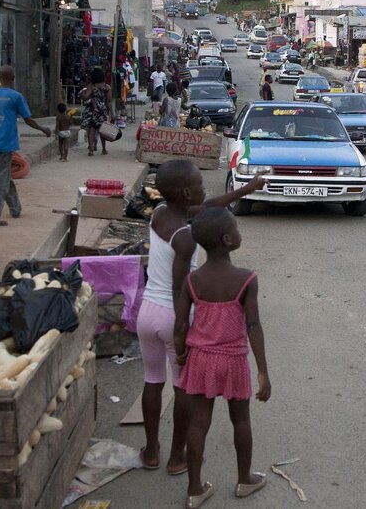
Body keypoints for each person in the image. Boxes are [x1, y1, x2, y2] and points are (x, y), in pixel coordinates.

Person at [136, 162, 264, 480]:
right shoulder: (187, 238)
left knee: (152, 380)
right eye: (200, 184)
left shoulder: (161, 212)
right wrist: (182, 338)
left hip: (146, 312)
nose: (205, 188)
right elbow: (181, 290)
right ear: (187, 192)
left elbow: (205, 206)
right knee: (184, 389)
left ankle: (151, 450)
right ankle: (178, 456)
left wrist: (247, 189)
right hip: (171, 316)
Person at [174, 207, 271, 508]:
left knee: (198, 423)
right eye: (238, 229)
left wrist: (180, 353)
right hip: (233, 360)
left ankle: (195, 489)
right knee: (240, 420)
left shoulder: (193, 280)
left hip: (200, 358)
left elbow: (181, 325)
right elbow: (253, 325)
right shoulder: (246, 279)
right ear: (227, 240)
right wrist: (263, 371)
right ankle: (244, 480)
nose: (240, 233)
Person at [0, 65, 52, 226]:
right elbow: (28, 119)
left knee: (3, 176)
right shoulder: (16, 96)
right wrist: (43, 129)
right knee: (1, 180)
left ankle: (15, 208)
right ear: (13, 78)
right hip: (6, 143)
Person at [80, 68, 115, 156]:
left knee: (91, 130)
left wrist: (83, 93)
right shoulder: (107, 87)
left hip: (92, 110)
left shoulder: (91, 86)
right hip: (102, 111)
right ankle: (103, 149)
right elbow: (109, 102)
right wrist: (112, 114)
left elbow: (86, 97)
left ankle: (91, 150)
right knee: (102, 130)